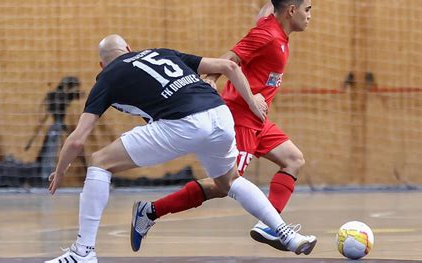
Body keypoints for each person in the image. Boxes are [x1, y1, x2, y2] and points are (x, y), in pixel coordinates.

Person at [45, 34, 317, 263]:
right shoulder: (160, 52)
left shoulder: (107, 78)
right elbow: (229, 67)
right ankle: (285, 233)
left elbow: (77, 139)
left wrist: (60, 171)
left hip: (184, 123)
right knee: (230, 180)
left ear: (101, 64)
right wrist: (253, 102)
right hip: (220, 115)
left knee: (99, 161)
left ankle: (83, 252)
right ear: (129, 49)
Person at [134, 0, 313, 252]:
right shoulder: (268, 35)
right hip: (241, 117)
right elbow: (230, 58)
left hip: (259, 120)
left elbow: (263, 17)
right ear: (291, 11)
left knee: (293, 159)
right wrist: (212, 78)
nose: (309, 16)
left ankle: (270, 226)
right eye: (307, 9)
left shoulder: (272, 27)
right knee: (224, 184)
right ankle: (150, 211)